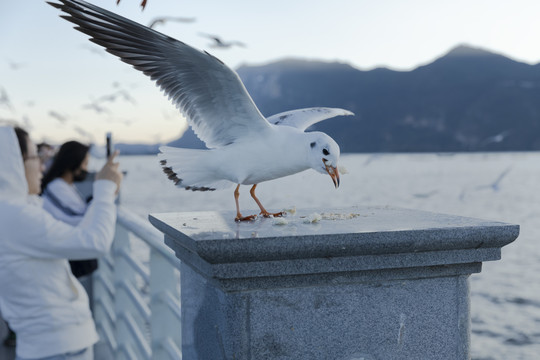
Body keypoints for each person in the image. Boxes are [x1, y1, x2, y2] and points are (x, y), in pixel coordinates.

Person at [0, 126, 122, 360]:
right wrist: (105, 189)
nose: (44, 166)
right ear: (13, 163)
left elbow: (76, 233)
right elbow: (95, 242)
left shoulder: (13, 212)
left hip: (45, 345)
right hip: (58, 348)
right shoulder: (16, 215)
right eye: (37, 156)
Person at [41, 141, 98, 302]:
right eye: (85, 163)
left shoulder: (63, 186)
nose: (87, 169)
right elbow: (81, 221)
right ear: (73, 163)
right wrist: (103, 192)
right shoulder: (57, 187)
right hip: (67, 258)